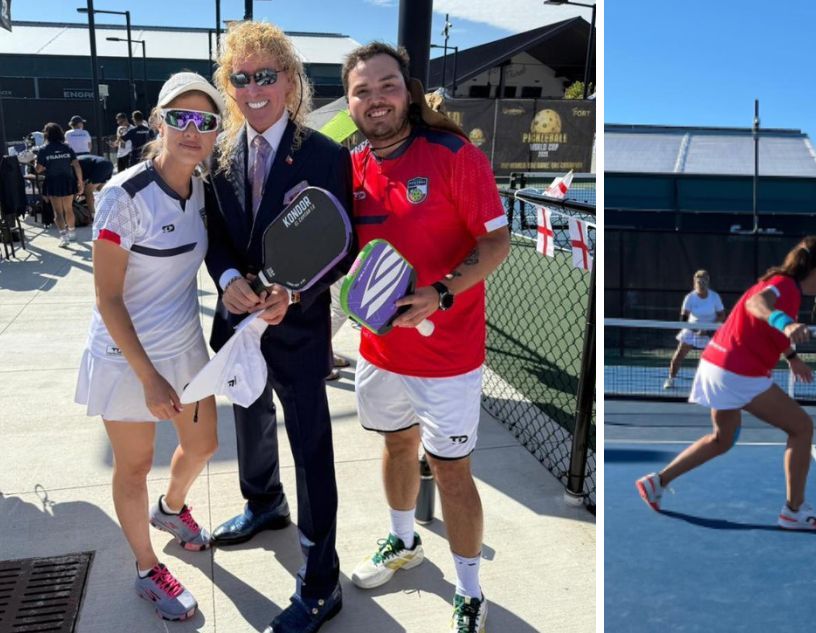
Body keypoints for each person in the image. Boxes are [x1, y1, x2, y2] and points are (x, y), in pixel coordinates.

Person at [340, 42, 510, 633]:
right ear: (351, 101)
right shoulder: (353, 165)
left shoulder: (454, 155)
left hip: (447, 355)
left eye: (386, 85)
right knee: (394, 447)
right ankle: (404, 541)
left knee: (453, 470)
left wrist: (438, 294)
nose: (375, 98)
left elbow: (495, 244)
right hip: (380, 350)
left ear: (407, 91)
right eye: (362, 90)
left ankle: (469, 590)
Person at [202, 21, 351, 633]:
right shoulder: (218, 155)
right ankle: (264, 504)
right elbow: (214, 237)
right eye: (242, 77)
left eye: (268, 75)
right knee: (249, 417)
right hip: (241, 323)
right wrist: (227, 276)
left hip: (298, 327)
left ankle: (321, 583)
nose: (255, 87)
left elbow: (341, 243)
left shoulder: (325, 155)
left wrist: (295, 292)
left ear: (291, 81)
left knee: (311, 448)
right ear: (228, 87)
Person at [73, 71, 224, 622]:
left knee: (203, 445)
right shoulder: (123, 194)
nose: (192, 131)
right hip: (125, 357)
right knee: (133, 466)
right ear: (159, 122)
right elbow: (107, 298)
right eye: (180, 118)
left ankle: (171, 510)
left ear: (213, 132)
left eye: (204, 121)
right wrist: (148, 377)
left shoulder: (203, 188)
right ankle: (145, 568)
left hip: (184, 348)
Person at [636, 237, 816, 531]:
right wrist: (787, 324)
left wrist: (792, 356)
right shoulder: (785, 286)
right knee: (802, 427)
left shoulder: (777, 282)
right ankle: (794, 511)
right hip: (738, 372)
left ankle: (657, 482)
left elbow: (760, 326)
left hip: (714, 364)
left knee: (722, 438)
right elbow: (758, 306)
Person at [663, 269, 725, 389]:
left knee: (710, 360)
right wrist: (693, 329)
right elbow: (684, 317)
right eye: (699, 282)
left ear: (707, 282)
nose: (701, 284)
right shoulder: (690, 298)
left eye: (703, 282)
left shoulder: (714, 297)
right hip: (691, 330)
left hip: (710, 331)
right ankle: (671, 379)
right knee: (678, 355)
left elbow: (722, 315)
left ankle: (709, 383)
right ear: (695, 282)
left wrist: (708, 329)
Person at [34, 122, 83, 246]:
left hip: (53, 182)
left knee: (58, 212)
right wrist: (80, 182)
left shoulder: (43, 150)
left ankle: (64, 237)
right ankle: (72, 233)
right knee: (69, 209)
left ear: (46, 135)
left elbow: (38, 169)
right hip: (68, 180)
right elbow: (76, 164)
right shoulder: (67, 147)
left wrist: (36, 161)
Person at [77, 154, 115, 220]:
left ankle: (93, 215)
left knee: (87, 191)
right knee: (102, 190)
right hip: (107, 163)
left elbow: (79, 183)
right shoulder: (77, 161)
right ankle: (112, 208)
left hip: (100, 166)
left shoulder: (71, 165)